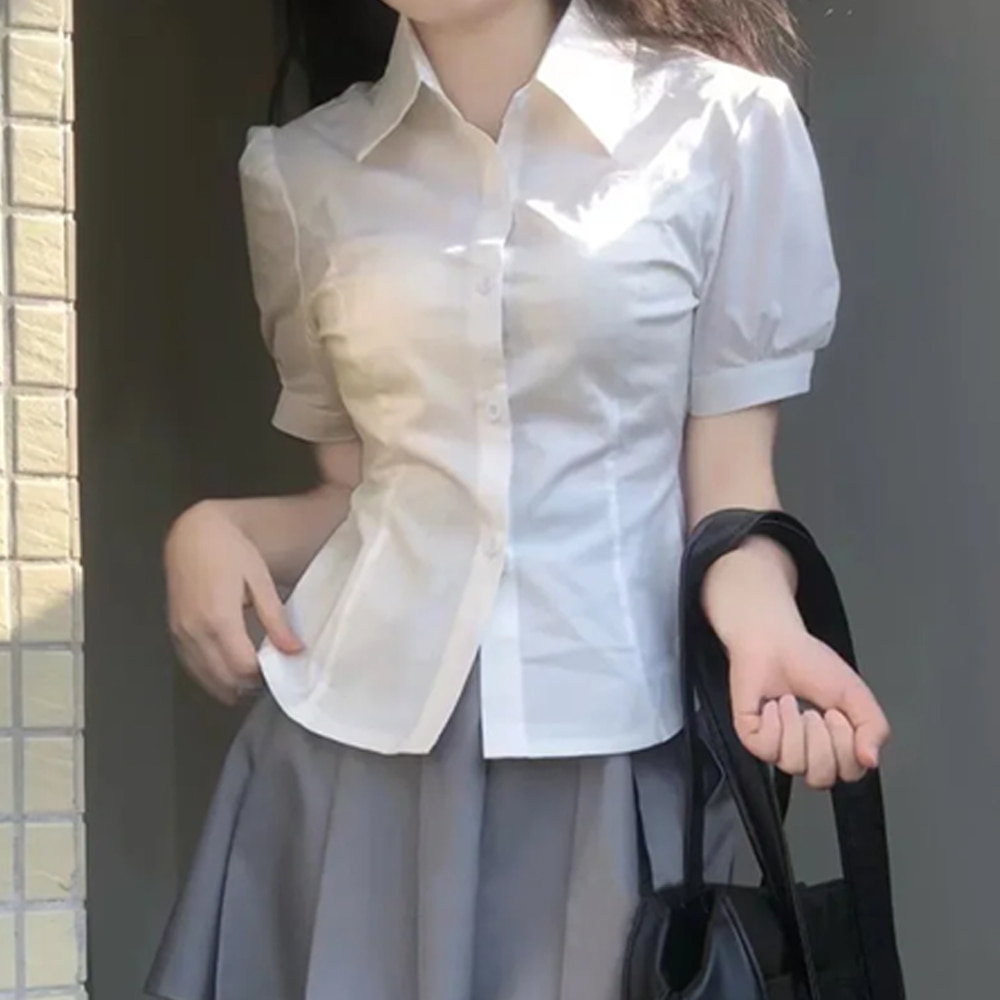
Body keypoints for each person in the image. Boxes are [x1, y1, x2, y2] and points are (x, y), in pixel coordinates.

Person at [146, 1, 891, 998]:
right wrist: (215, 530)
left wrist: (767, 629)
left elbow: (728, 488)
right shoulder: (301, 172)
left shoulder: (726, 128)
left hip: (612, 753)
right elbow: (362, 493)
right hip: (348, 767)